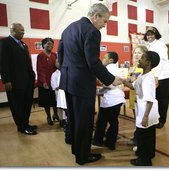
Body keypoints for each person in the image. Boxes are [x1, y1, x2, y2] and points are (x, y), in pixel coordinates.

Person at [57, 3, 122, 165]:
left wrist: (69, 71)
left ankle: (76, 149)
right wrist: (111, 79)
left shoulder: (69, 28)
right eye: (105, 21)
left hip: (68, 80)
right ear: (95, 16)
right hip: (82, 84)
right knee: (84, 121)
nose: (105, 26)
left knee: (73, 118)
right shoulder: (92, 31)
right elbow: (93, 62)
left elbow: (60, 54)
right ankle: (83, 156)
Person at [0, 23, 37, 135]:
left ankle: (26, 123)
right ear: (13, 30)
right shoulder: (4, 43)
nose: (23, 32)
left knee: (26, 104)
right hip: (14, 82)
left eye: (23, 30)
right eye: (21, 30)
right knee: (17, 105)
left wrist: (32, 76)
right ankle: (21, 127)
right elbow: (2, 63)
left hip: (27, 81)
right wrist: (6, 81)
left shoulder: (23, 44)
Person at [122, 51, 160, 166]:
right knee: (149, 135)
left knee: (144, 137)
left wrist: (145, 117)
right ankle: (150, 153)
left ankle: (144, 161)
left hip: (146, 111)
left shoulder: (148, 79)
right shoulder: (143, 75)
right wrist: (123, 80)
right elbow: (133, 87)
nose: (139, 59)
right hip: (144, 111)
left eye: (142, 58)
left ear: (148, 63)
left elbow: (150, 100)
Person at [92, 52, 126, 150]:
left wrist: (99, 91)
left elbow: (110, 85)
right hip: (118, 99)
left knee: (101, 121)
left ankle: (97, 141)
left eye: (105, 57)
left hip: (111, 100)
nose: (103, 59)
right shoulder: (117, 69)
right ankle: (111, 142)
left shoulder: (109, 68)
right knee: (113, 121)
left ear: (111, 60)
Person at [144, 26, 169, 129]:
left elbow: (161, 61)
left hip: (163, 75)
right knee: (154, 98)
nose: (149, 36)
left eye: (151, 34)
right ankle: (155, 118)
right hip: (153, 75)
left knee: (162, 99)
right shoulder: (149, 45)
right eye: (147, 34)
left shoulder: (160, 45)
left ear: (156, 35)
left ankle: (162, 120)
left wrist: (156, 76)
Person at [36, 38, 59, 126]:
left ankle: (56, 114)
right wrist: (44, 82)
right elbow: (40, 70)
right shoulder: (40, 56)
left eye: (52, 44)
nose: (50, 46)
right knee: (46, 102)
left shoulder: (54, 55)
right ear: (43, 45)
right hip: (44, 83)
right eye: (48, 44)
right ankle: (48, 116)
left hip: (54, 82)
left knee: (55, 101)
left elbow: (57, 66)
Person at [127, 45, 147, 146]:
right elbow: (129, 81)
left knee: (141, 119)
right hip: (133, 97)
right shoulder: (132, 67)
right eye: (135, 52)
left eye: (139, 53)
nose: (136, 54)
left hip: (141, 99)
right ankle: (137, 136)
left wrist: (134, 80)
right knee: (136, 119)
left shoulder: (145, 68)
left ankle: (140, 139)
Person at [50, 59, 71, 144]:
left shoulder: (66, 71)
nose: (57, 63)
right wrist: (57, 87)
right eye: (56, 62)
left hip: (66, 94)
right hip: (59, 94)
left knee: (67, 110)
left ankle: (66, 123)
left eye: (59, 61)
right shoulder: (55, 74)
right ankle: (64, 122)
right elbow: (54, 85)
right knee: (62, 109)